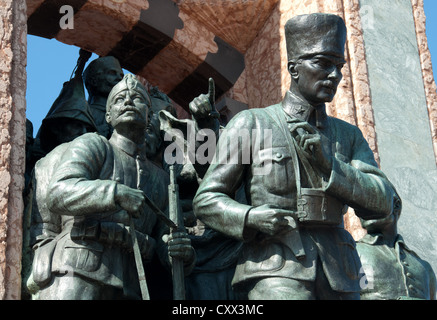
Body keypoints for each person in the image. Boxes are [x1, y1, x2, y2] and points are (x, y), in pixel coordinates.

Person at [193, 13, 398, 300]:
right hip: (274, 268)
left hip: (342, 275)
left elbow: (383, 201)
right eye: (323, 63)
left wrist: (330, 166)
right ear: (294, 68)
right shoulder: (251, 123)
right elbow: (207, 200)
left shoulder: (349, 136)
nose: (335, 75)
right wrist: (251, 217)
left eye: (339, 66)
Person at [27, 74, 195, 300]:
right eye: (119, 99)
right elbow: (58, 192)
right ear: (108, 115)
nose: (128, 102)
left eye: (137, 98)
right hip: (77, 270)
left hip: (132, 283)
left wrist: (179, 251)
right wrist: (114, 193)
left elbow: (166, 236)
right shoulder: (93, 145)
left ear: (148, 115)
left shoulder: (162, 179)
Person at [357, 193, 436, 300]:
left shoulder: (425, 268)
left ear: (396, 206)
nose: (363, 208)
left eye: (371, 198)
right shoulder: (353, 253)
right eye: (359, 203)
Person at [83, 56, 124, 139]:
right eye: (112, 73)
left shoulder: (127, 115)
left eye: (121, 76)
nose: (119, 78)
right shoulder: (83, 115)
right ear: (94, 80)